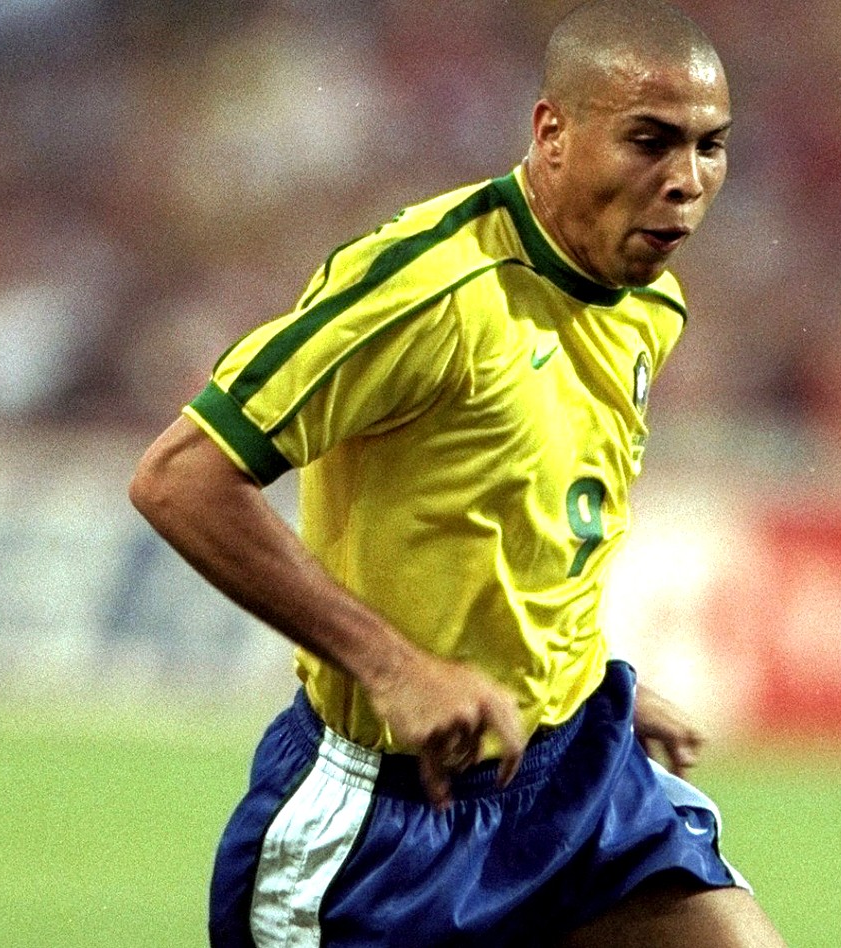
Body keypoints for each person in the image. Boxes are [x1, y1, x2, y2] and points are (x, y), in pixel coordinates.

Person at [129, 1, 786, 945]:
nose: (686, 181)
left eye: (710, 146)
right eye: (650, 141)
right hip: (389, 824)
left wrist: (580, 679)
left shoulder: (650, 306)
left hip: (573, 776)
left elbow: (525, 519)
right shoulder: (430, 290)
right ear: (552, 133)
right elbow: (180, 478)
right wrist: (393, 668)